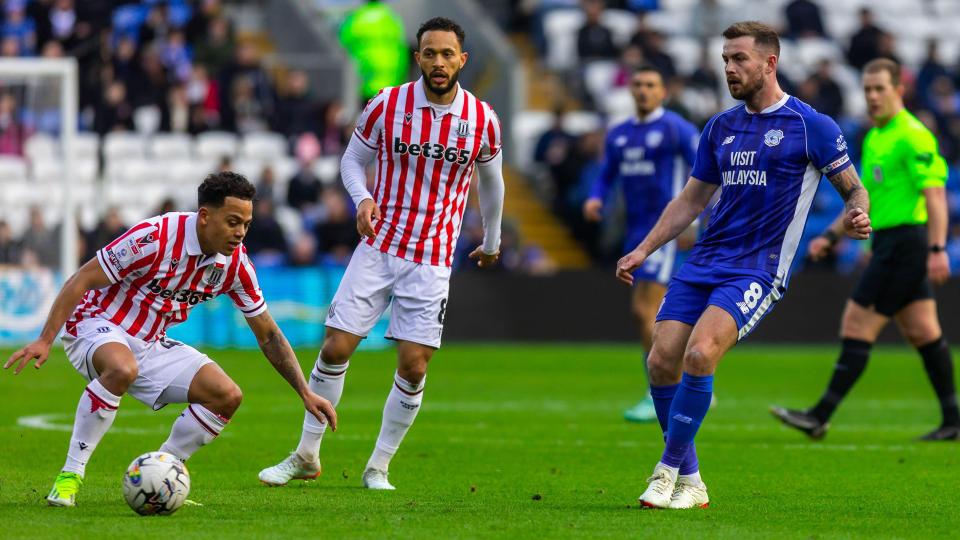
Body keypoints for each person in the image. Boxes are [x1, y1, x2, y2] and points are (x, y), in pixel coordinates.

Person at [615, 21, 871, 509]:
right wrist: (644, 249)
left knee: (699, 354)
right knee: (661, 361)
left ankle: (665, 471)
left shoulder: (811, 125)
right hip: (704, 260)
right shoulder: (720, 126)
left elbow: (854, 189)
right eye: (725, 60)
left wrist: (857, 213)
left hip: (758, 268)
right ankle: (692, 481)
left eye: (739, 59)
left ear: (769, 63)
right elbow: (691, 200)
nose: (729, 68)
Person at [259, 17, 505, 490]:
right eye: (430, 53)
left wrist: (492, 241)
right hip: (379, 247)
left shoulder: (482, 119)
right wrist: (363, 199)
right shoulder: (388, 104)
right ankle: (306, 454)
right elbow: (352, 160)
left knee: (413, 366)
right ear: (418, 57)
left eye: (447, 54)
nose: (438, 62)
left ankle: (378, 466)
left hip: (432, 258)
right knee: (335, 348)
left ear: (462, 59)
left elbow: (492, 184)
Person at [3, 172, 337, 507]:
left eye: (246, 224)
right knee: (122, 367)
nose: (240, 232)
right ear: (205, 216)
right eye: (233, 222)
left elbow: (269, 334)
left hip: (150, 343)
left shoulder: (236, 265)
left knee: (226, 395)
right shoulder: (156, 237)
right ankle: (69, 477)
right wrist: (45, 339)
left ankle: (161, 475)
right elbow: (82, 278)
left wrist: (304, 392)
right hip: (96, 324)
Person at [771, 58, 960, 441]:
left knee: (856, 324)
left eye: (880, 89)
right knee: (924, 331)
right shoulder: (876, 137)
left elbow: (935, 195)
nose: (872, 96)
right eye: (868, 90)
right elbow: (865, 199)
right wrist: (832, 235)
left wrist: (938, 248)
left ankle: (819, 416)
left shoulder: (913, 135)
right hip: (889, 242)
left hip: (907, 244)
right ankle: (953, 421)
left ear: (899, 89)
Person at [582, 65, 698, 423]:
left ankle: (661, 389)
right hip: (635, 232)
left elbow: (704, 173)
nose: (644, 90)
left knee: (645, 310)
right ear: (631, 91)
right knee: (646, 312)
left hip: (665, 230)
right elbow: (606, 174)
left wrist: (694, 222)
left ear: (663, 92)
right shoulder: (619, 134)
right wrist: (596, 197)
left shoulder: (676, 129)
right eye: (638, 85)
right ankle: (686, 383)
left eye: (651, 84)